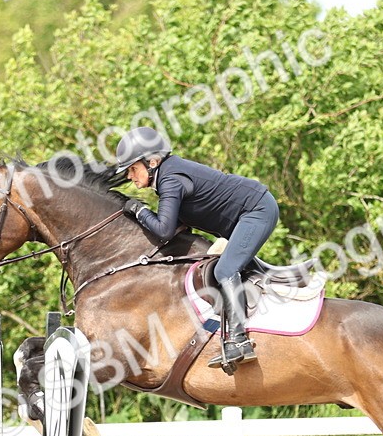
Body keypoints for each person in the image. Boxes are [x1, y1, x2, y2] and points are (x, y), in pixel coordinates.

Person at [113, 127, 280, 371]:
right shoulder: (167, 176)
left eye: (132, 169)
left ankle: (239, 341)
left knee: (224, 271)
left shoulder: (170, 179)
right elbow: (174, 230)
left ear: (152, 161)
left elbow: (164, 230)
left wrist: (139, 210)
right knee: (226, 268)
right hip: (246, 216)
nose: (130, 176)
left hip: (257, 210)